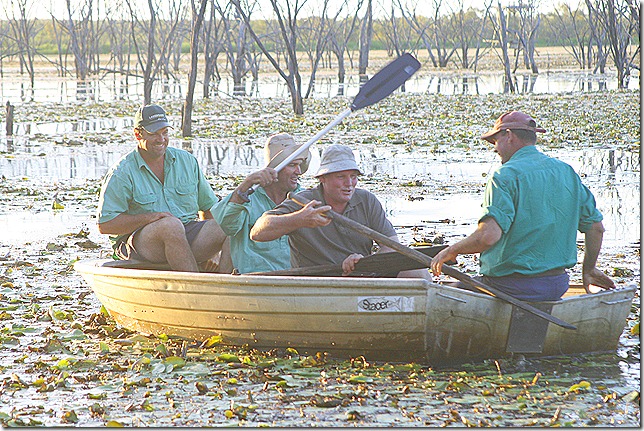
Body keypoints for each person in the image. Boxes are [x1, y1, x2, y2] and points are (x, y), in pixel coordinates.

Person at [430, 111, 615, 300]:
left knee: (441, 294)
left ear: (509, 136)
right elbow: (596, 228)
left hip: (510, 286)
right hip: (557, 284)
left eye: (495, 141)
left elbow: (487, 237)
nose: (495, 148)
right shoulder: (566, 171)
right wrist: (589, 269)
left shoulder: (504, 176)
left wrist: (451, 250)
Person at [250, 143, 430, 279]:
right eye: (341, 177)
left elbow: (391, 246)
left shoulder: (367, 200)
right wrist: (300, 219)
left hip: (363, 277)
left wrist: (364, 262)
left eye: (353, 176)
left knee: (418, 271)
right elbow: (258, 232)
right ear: (322, 178)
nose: (349, 184)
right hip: (317, 283)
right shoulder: (305, 202)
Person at [97, 103, 226, 272]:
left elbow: (208, 209)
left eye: (165, 132)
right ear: (138, 134)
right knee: (170, 226)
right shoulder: (122, 172)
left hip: (185, 233)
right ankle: (193, 283)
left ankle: (227, 283)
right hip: (139, 244)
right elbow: (106, 225)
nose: (161, 139)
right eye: (154, 134)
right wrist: (150, 218)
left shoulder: (187, 161)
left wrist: (213, 252)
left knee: (228, 223)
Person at [211, 133, 311, 274]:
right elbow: (227, 225)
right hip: (254, 279)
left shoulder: (304, 198)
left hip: (295, 278)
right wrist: (245, 184)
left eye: (299, 165)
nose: (298, 172)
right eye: (292, 165)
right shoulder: (247, 196)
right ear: (276, 169)